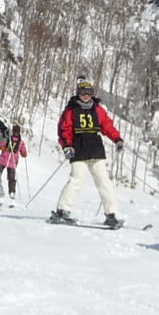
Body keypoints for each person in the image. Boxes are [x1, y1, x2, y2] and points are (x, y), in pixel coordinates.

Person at [50, 77, 123, 228]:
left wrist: (117, 139)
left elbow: (107, 126)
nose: (85, 96)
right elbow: (64, 130)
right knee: (76, 179)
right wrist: (67, 146)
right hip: (78, 149)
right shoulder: (71, 110)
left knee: (104, 182)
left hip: (95, 149)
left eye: (88, 92)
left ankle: (112, 214)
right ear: (78, 93)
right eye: (82, 92)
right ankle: (62, 210)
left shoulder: (97, 109)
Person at [0, 124, 27, 205]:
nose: (15, 133)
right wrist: (4, 148)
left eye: (17, 131)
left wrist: (24, 153)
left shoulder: (20, 141)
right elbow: (1, 145)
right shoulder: (8, 138)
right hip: (4, 158)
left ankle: (12, 192)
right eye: (14, 131)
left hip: (12, 160)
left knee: (11, 177)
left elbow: (23, 150)